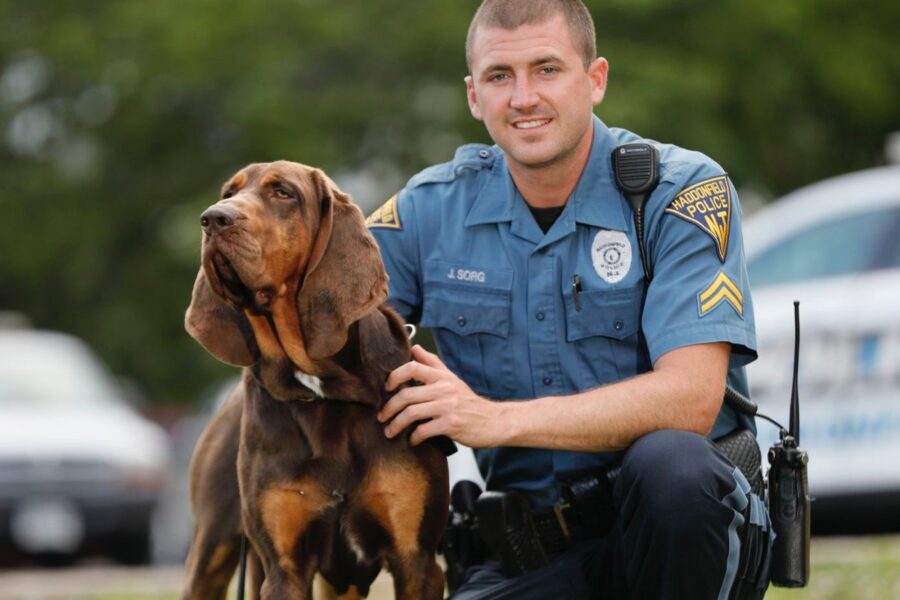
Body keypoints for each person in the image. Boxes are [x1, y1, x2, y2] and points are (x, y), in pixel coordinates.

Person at [367, 1, 772, 598]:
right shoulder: (429, 211)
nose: (523, 97)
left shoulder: (681, 191)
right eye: (499, 77)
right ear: (474, 96)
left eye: (547, 69)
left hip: (678, 539)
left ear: (596, 79)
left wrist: (489, 418)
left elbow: (690, 400)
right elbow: (324, 324)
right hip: (526, 552)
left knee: (673, 467)